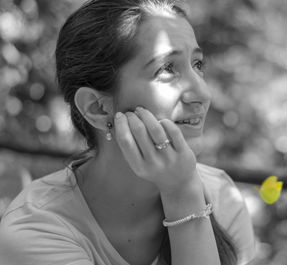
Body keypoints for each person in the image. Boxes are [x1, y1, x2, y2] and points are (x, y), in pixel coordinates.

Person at [0, 0, 256, 264]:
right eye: (167, 69)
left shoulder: (222, 197)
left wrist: (185, 193)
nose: (203, 94)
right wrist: (182, 195)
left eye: (197, 65)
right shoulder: (36, 232)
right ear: (98, 108)